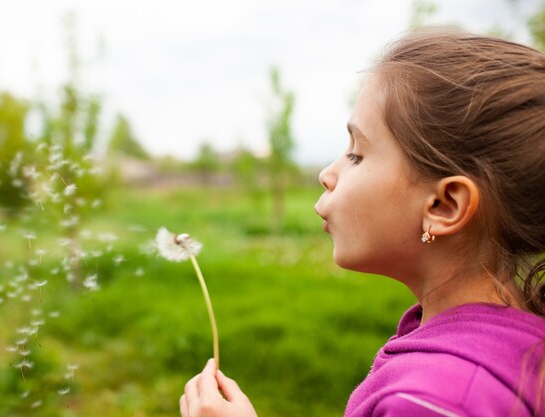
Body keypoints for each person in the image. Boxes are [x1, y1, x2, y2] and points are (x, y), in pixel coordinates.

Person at [179, 29, 545, 417]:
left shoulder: (433, 401)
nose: (326, 173)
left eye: (356, 154)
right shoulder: (507, 341)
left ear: (444, 205)